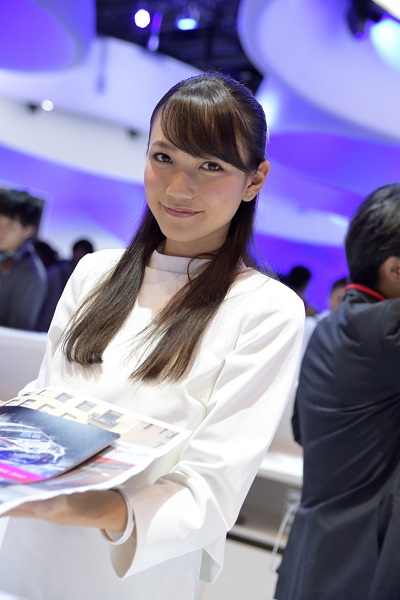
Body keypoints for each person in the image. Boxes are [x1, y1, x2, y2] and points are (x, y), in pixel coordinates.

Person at [0, 72, 304, 600]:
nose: (178, 187)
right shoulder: (95, 273)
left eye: (211, 166)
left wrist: (83, 506)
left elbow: (211, 489)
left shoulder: (266, 310)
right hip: (24, 549)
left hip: (131, 576)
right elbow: (45, 406)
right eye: (163, 157)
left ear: (254, 180)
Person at [275, 183, 400, 600]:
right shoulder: (386, 328)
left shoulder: (329, 328)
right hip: (361, 571)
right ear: (396, 269)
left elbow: (302, 430)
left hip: (308, 561)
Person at [0, 188, 47, 330]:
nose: (1, 230)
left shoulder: (31, 274)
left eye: (10, 225)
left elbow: (17, 333)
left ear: (28, 231)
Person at [35, 238, 95, 331]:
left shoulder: (91, 280)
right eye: (78, 252)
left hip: (67, 328)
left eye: (83, 253)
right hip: (45, 323)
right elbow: (38, 297)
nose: (79, 256)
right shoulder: (54, 273)